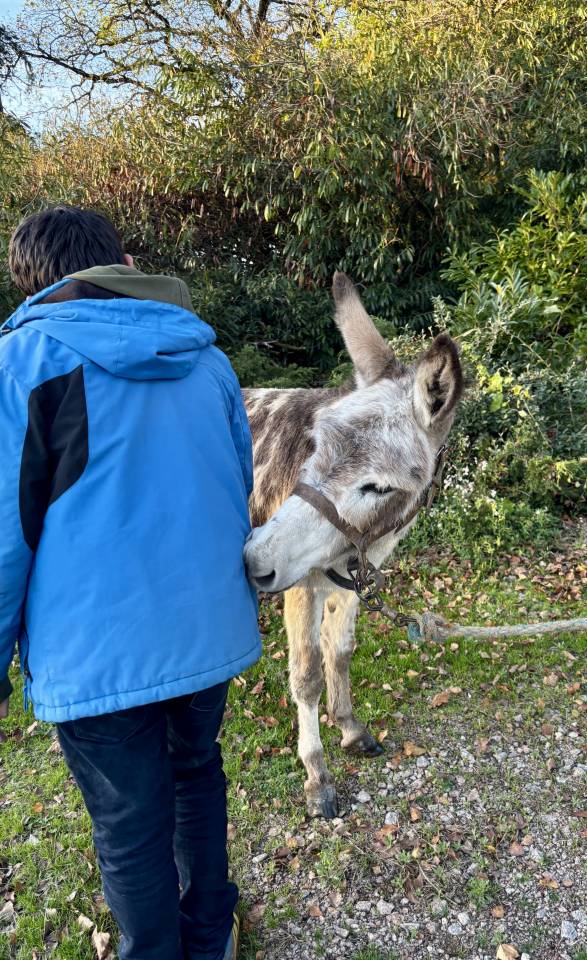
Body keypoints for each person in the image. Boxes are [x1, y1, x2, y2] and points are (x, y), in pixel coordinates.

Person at [0, 206, 261, 960]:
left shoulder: (23, 363)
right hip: (206, 626)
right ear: (119, 262)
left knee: (128, 822)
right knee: (197, 773)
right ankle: (211, 935)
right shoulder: (207, 358)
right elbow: (236, 483)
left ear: (32, 279)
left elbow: (6, 537)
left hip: (95, 647)